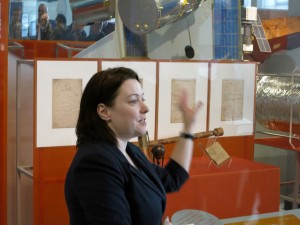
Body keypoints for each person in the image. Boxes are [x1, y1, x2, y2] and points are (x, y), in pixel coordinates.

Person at [64, 67, 203, 225]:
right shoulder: (95, 162)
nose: (145, 108)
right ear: (104, 111)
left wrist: (188, 128)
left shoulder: (130, 151)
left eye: (143, 99)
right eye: (133, 101)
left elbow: (172, 179)